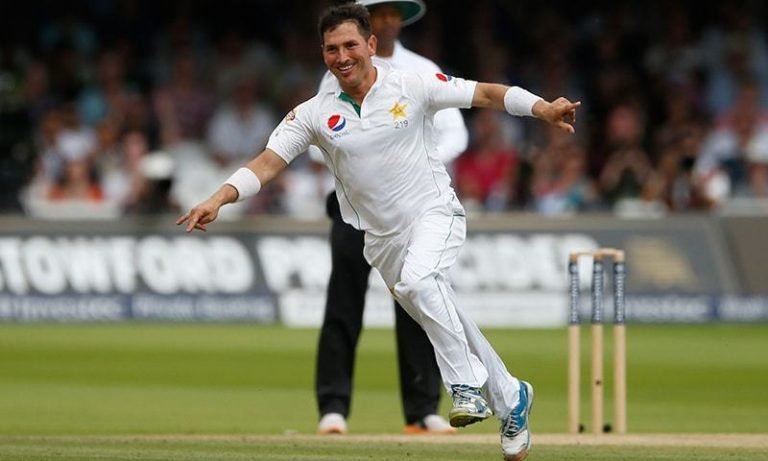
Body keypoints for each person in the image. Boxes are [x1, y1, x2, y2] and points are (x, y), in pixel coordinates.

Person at [177, 4, 579, 460]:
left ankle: (466, 387)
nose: (342, 56)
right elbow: (267, 163)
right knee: (443, 313)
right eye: (331, 49)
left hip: (434, 214)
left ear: (370, 45)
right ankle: (511, 395)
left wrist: (542, 108)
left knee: (420, 283)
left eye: (350, 45)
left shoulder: (412, 83)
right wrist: (218, 198)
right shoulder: (314, 112)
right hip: (380, 240)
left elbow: (486, 93)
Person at [311, 0, 469, 436]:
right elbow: (313, 136)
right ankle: (333, 407)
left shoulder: (419, 69)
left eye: (394, 14)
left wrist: (412, 160)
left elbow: (456, 132)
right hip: (354, 206)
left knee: (419, 298)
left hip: (412, 206)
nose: (388, 20)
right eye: (380, 12)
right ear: (367, 22)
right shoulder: (338, 73)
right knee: (343, 302)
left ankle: (422, 409)